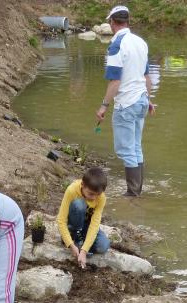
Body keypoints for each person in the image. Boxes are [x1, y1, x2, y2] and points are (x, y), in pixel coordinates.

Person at [94, 5, 156, 197]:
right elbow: (146, 75)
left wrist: (104, 105)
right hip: (141, 101)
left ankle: (132, 195)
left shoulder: (116, 45)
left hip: (127, 104)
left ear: (112, 22)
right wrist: (149, 99)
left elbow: (115, 80)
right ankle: (137, 191)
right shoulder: (140, 42)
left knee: (126, 150)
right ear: (127, 21)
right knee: (136, 147)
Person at [56, 167, 111, 269]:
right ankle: (74, 238)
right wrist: (70, 244)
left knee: (103, 246)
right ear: (82, 185)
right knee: (79, 204)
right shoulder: (72, 190)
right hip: (73, 223)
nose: (94, 198)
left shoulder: (101, 198)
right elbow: (61, 221)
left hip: (86, 226)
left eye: (97, 195)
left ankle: (81, 243)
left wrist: (84, 250)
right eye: (91, 194)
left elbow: (94, 225)